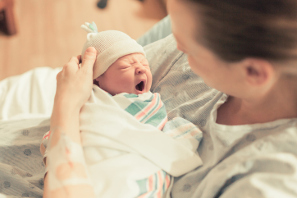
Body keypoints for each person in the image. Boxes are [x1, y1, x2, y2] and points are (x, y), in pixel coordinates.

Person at [44, 0, 297, 197]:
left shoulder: (265, 180)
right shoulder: (198, 48)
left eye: (187, 48)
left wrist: (65, 106)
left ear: (253, 72)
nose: (175, 47)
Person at [41, 22, 203, 197]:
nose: (141, 68)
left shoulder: (148, 101)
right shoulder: (92, 102)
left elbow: (153, 127)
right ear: (96, 81)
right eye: (126, 66)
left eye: (144, 63)